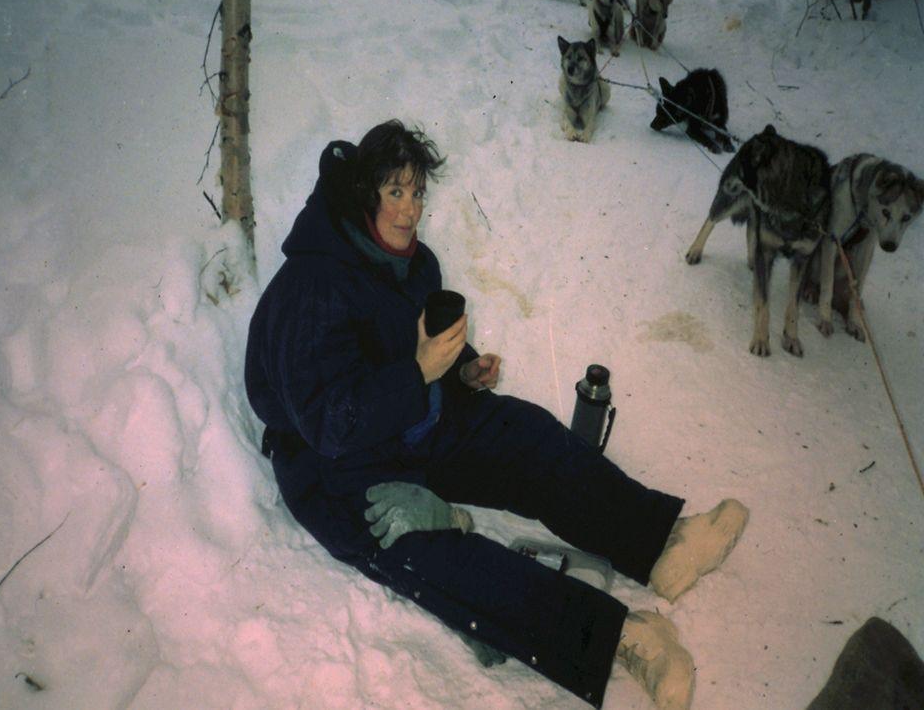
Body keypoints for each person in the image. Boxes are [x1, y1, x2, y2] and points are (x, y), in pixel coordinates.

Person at [244, 120, 749, 710]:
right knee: (438, 552)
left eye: (418, 193)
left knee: (522, 433)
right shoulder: (313, 286)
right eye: (395, 193)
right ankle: (625, 640)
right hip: (333, 468)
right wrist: (419, 377)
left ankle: (662, 542)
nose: (410, 212)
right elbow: (327, 422)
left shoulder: (415, 263)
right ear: (365, 196)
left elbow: (409, 357)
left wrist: (458, 372)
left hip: (411, 423)